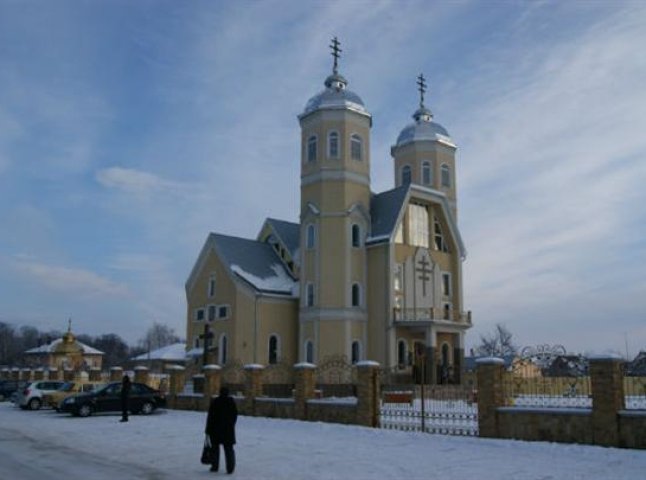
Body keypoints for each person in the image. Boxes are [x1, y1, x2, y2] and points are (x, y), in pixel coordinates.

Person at [205, 386, 238, 474]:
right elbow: (235, 415)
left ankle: (215, 466)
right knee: (229, 449)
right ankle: (230, 468)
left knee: (215, 449)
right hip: (228, 430)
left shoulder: (215, 401)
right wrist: (231, 425)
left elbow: (210, 417)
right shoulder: (231, 402)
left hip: (215, 430)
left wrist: (207, 430)